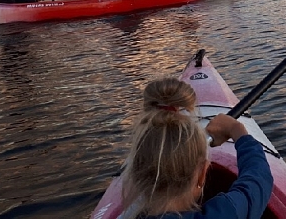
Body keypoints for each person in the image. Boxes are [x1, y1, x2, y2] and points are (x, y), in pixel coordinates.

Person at [117, 77, 273, 219]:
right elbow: (258, 180)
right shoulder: (226, 213)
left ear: (135, 174)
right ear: (201, 175)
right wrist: (237, 130)